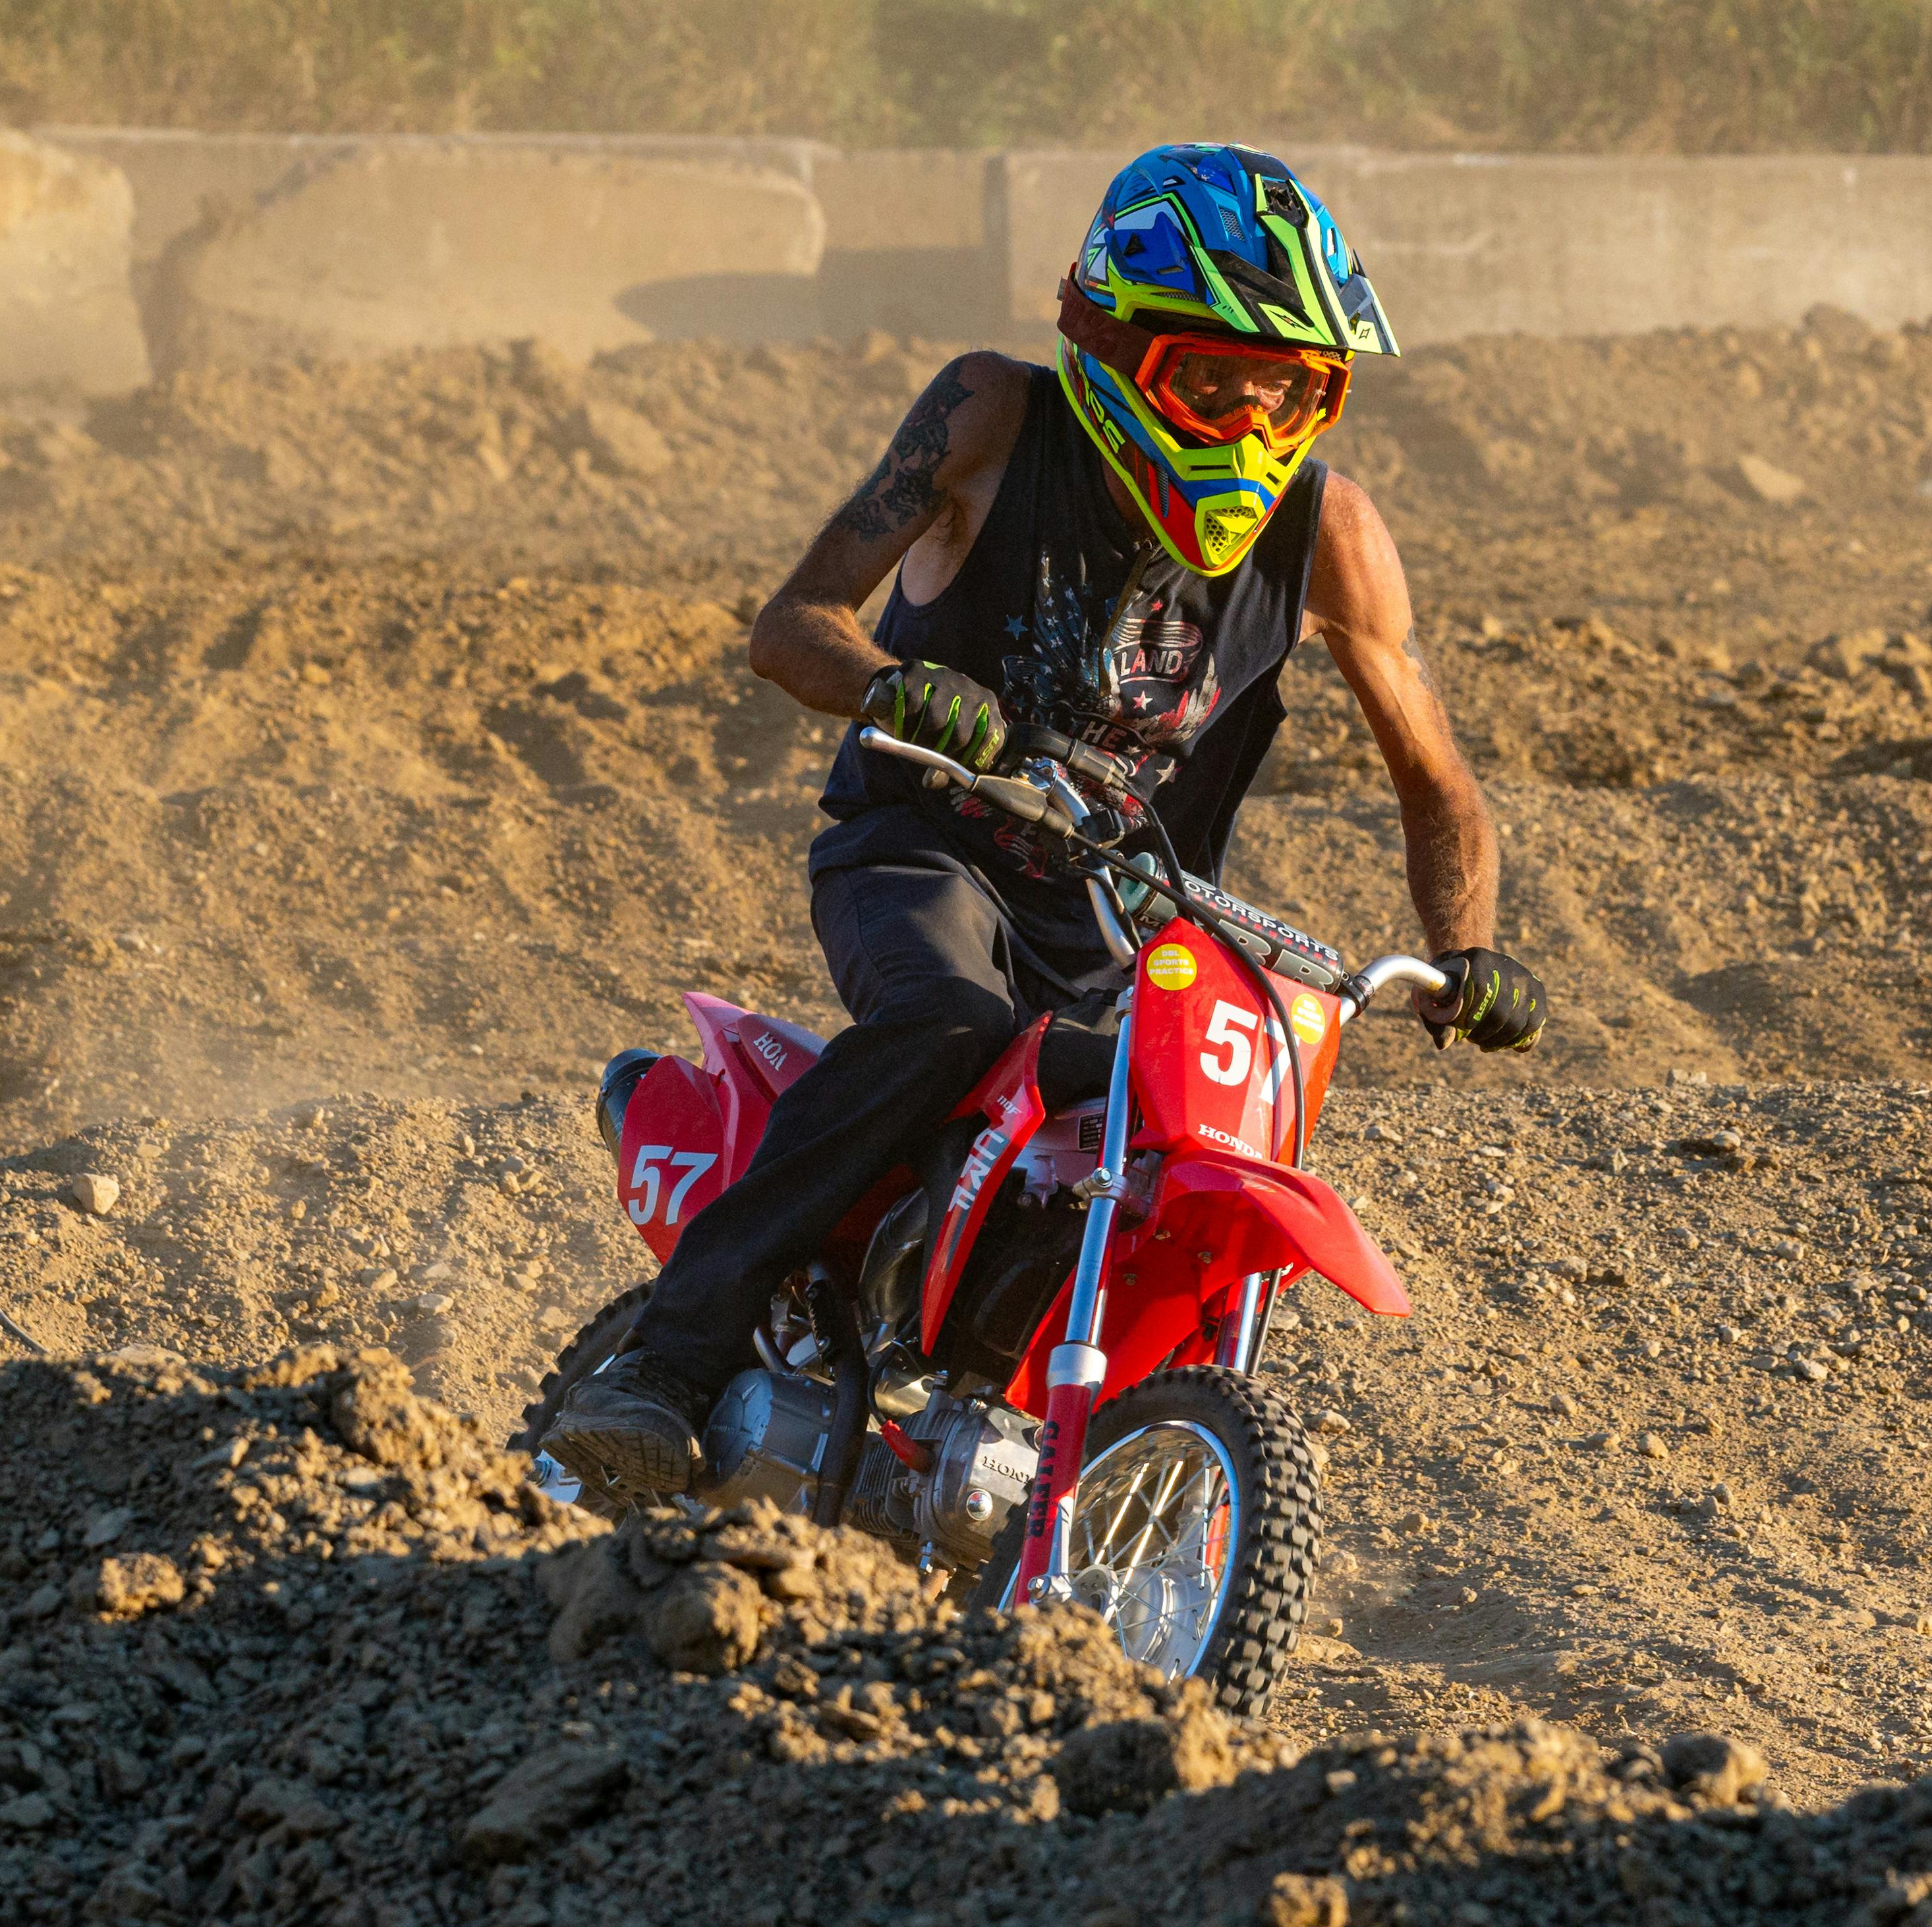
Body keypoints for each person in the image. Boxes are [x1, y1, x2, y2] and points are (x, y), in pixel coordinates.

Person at [541, 140, 1537, 1504]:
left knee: (1177, 1130)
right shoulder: (992, 422)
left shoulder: (1331, 534)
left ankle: (1028, 1419)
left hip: (1120, 926)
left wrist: (1463, 953)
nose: (1252, 425)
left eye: (1291, 390)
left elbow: (1437, 782)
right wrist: (903, 690)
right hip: (923, 850)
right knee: (947, 1023)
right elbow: (792, 628)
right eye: (1215, 383)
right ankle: (661, 1360)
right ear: (1120, 350)